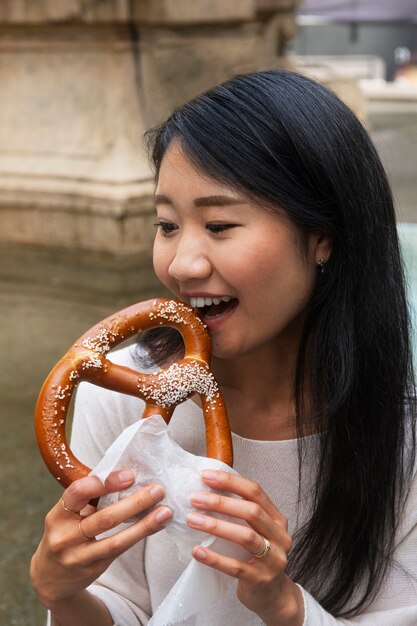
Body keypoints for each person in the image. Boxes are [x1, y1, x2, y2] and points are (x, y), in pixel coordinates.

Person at [31, 70, 417, 625]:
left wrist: (284, 606)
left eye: (219, 224)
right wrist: (66, 594)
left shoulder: (402, 440)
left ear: (323, 237)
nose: (183, 265)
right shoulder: (119, 397)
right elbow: (122, 603)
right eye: (166, 225)